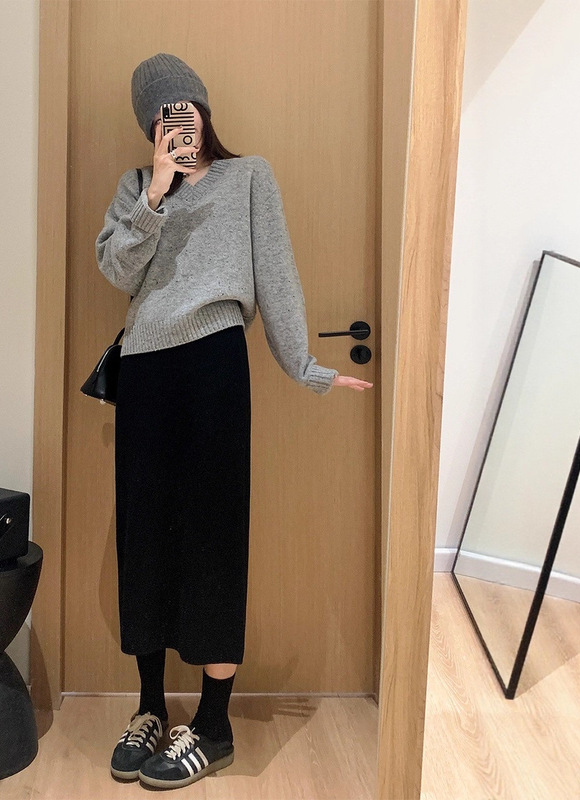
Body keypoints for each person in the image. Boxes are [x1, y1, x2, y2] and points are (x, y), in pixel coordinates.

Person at [95, 52, 373, 791]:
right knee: (146, 533)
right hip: (145, 371)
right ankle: (151, 706)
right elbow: (117, 272)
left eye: (183, 108)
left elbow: (276, 277)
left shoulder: (251, 177)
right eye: (161, 114)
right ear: (148, 126)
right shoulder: (136, 188)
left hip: (215, 365)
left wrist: (305, 366)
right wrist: (155, 193)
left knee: (216, 534)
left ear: (203, 109)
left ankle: (214, 725)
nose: (175, 122)